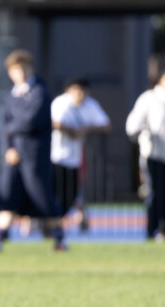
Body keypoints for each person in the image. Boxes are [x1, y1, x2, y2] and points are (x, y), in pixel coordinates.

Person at [0, 49, 66, 253]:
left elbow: (30, 122)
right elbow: (2, 126)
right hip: (14, 158)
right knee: (7, 197)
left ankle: (59, 239)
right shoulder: (12, 96)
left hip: (34, 158)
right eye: (15, 70)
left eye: (23, 68)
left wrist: (10, 129)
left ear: (31, 69)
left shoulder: (40, 93)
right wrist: (9, 149)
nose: (20, 73)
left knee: (43, 198)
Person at [50, 78, 111, 228]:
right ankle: (45, 222)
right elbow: (52, 122)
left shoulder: (90, 105)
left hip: (75, 158)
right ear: (68, 91)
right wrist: (70, 130)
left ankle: (60, 223)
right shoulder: (60, 103)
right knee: (54, 191)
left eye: (83, 91)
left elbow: (105, 124)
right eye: (77, 90)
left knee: (71, 193)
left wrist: (85, 129)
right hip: (56, 157)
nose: (80, 94)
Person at [126, 62, 165, 242]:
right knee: (155, 193)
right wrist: (144, 132)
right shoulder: (149, 98)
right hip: (153, 155)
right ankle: (153, 230)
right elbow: (132, 126)